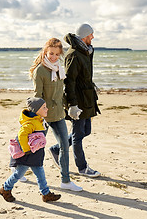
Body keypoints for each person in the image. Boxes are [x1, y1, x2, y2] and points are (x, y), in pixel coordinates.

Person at [29, 38, 83, 192]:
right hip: (44, 116)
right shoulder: (40, 70)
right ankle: (18, 170)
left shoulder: (59, 68)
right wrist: (39, 116)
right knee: (34, 147)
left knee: (65, 146)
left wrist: (72, 107)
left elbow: (61, 92)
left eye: (56, 54)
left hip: (58, 114)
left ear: (60, 54)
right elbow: (37, 96)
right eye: (50, 53)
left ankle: (65, 181)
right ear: (45, 52)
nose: (53, 57)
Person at [49, 24, 101, 178]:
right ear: (84, 35)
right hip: (78, 101)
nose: (93, 37)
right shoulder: (74, 54)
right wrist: (72, 105)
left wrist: (91, 85)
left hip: (87, 98)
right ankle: (82, 167)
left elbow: (83, 76)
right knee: (78, 135)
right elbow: (69, 81)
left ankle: (57, 149)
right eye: (91, 34)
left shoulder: (86, 51)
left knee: (86, 131)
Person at [0, 97, 61, 202]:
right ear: (36, 110)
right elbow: (21, 135)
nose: (47, 109)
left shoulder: (38, 120)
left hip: (35, 154)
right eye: (44, 107)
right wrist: (26, 150)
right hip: (28, 155)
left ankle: (45, 193)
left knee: (37, 173)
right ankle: (5, 189)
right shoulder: (30, 123)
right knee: (19, 174)